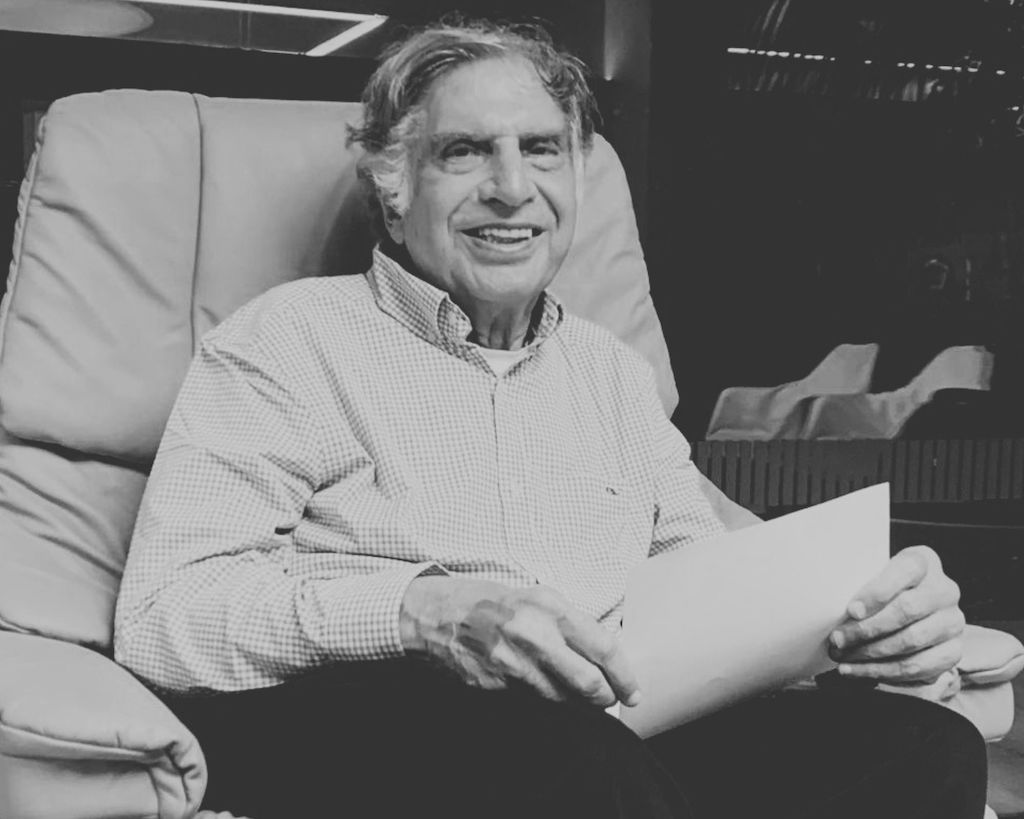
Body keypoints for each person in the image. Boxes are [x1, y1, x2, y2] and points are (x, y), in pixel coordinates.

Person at [113, 19, 985, 819]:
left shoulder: (613, 373)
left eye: (541, 149)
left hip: (600, 733)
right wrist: (424, 611)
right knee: (567, 759)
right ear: (393, 186)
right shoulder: (289, 338)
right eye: (464, 152)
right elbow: (164, 615)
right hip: (380, 715)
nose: (512, 188)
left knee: (924, 747)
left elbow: (709, 582)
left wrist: (867, 624)